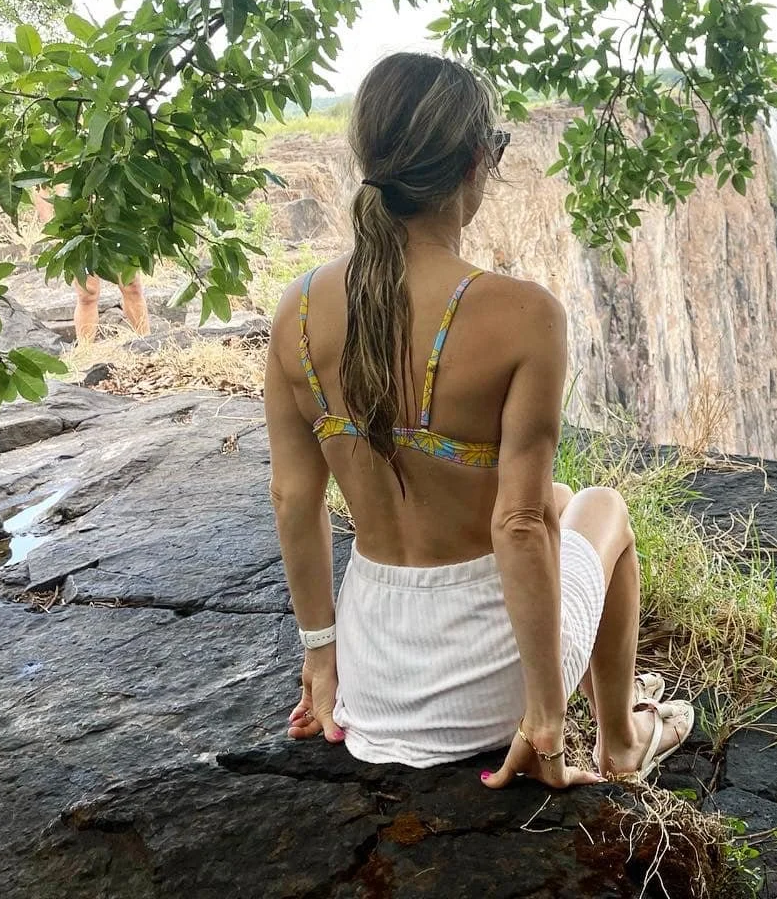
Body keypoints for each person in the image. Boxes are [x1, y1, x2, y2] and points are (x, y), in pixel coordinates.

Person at [262, 52, 693, 787]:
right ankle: (621, 741)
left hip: (377, 680)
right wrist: (545, 720)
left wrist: (321, 655)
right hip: (491, 691)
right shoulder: (524, 315)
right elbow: (516, 526)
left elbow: (293, 500)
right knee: (603, 508)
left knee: (558, 503)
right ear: (476, 162)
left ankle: (614, 712)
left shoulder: (295, 311)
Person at [33, 190, 150, 343]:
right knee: (87, 293)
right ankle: (85, 350)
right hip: (79, 226)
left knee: (131, 285)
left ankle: (147, 342)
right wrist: (52, 225)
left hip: (114, 219)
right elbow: (41, 185)